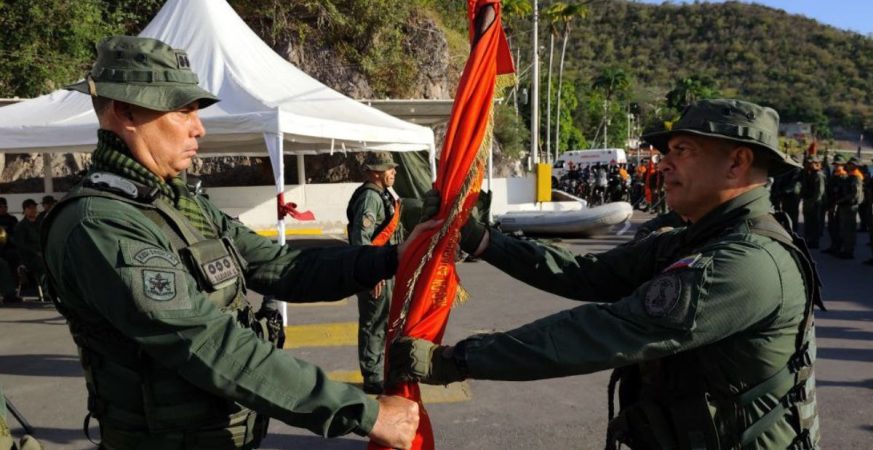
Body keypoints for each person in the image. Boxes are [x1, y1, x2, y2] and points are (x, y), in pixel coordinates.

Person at [42, 35, 420, 450]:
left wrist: (395, 257)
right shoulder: (100, 225)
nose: (198, 127)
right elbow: (206, 343)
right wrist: (360, 411)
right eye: (182, 110)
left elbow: (282, 267)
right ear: (126, 111)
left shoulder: (180, 203)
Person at [392, 99, 822, 449]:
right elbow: (587, 272)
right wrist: (481, 238)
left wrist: (455, 360)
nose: (663, 164)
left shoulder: (746, 261)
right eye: (665, 152)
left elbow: (605, 330)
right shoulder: (695, 238)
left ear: (737, 163)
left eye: (681, 151)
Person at [346, 152, 404, 395]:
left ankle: (382, 370)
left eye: (392, 168)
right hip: (375, 273)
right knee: (374, 323)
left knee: (384, 321)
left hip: (384, 270)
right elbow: (362, 240)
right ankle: (372, 376)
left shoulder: (383, 195)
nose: (393, 172)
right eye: (388, 168)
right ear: (375, 172)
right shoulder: (370, 198)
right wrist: (373, 274)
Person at [834, 156, 864, 259]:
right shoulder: (851, 176)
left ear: (855, 165)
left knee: (849, 229)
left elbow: (855, 194)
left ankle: (849, 251)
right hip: (846, 205)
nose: (848, 165)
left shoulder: (856, 177)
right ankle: (846, 249)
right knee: (845, 229)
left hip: (850, 206)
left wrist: (842, 200)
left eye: (851, 164)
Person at [12, 200, 43, 294]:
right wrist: (36, 252)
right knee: (42, 264)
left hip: (42, 253)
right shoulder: (21, 226)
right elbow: (21, 245)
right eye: (30, 208)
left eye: (34, 207)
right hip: (28, 258)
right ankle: (46, 291)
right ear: (24, 210)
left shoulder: (41, 224)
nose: (33, 210)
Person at [800, 155, 827, 249]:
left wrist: (812, 202)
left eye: (810, 162)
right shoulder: (810, 173)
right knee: (808, 222)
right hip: (809, 201)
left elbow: (819, 192)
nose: (808, 164)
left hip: (815, 203)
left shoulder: (818, 175)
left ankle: (814, 242)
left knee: (814, 223)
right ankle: (808, 240)